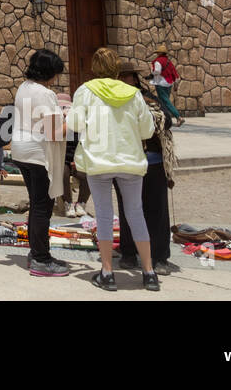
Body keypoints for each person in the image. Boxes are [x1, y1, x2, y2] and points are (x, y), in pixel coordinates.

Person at [66, 47, 159, 292]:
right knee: (135, 213)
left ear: (95, 68)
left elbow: (74, 124)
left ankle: (107, 272)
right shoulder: (133, 93)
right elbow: (147, 130)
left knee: (104, 215)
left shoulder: (85, 92)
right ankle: (149, 272)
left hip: (99, 160)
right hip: (129, 159)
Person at [10, 48, 69, 277]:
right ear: (49, 72)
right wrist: (76, 120)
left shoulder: (23, 88)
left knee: (37, 204)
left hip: (21, 150)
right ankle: (41, 259)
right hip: (37, 154)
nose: (56, 79)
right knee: (43, 206)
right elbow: (55, 132)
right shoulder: (45, 94)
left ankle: (36, 252)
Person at [116, 65, 178, 275]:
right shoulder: (114, 102)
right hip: (126, 162)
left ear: (135, 79)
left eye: (129, 76)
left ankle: (160, 256)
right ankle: (128, 253)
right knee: (128, 209)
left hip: (152, 162)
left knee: (157, 210)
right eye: (121, 77)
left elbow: (167, 120)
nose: (126, 80)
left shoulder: (149, 99)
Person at [59, 93, 92, 218]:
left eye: (65, 108)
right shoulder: (55, 123)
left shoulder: (81, 123)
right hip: (62, 160)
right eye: (61, 108)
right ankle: (68, 203)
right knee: (62, 173)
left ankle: (81, 203)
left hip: (79, 159)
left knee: (89, 174)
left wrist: (77, 160)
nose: (64, 111)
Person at [151, 44, 184, 126]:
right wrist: (176, 84)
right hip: (169, 84)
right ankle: (166, 119)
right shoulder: (169, 62)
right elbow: (175, 73)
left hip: (161, 83)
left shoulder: (158, 61)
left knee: (166, 102)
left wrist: (152, 71)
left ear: (159, 53)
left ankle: (178, 117)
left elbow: (157, 71)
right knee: (164, 102)